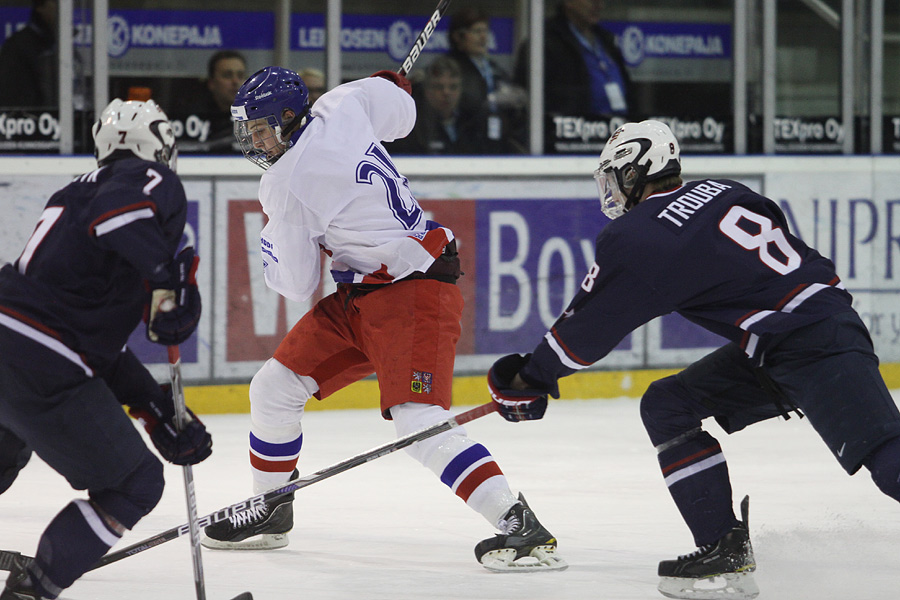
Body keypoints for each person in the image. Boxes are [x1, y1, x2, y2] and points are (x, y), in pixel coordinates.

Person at [486, 120, 900, 598]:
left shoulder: (641, 234)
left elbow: (583, 332)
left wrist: (529, 377)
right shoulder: (725, 190)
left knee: (888, 463)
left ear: (635, 172)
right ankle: (724, 551)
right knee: (668, 404)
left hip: (812, 343)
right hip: (792, 337)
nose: (611, 191)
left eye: (614, 177)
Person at [199, 65, 566, 572]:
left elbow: (294, 283)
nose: (255, 142)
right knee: (273, 388)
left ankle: (518, 523)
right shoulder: (342, 103)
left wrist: (271, 241)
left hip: (413, 293)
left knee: (418, 421)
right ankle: (271, 508)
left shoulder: (287, 182)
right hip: (366, 293)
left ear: (288, 118)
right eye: (249, 131)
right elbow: (404, 112)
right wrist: (390, 86)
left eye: (260, 130)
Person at [0, 99, 210, 600]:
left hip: (15, 341)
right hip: (40, 358)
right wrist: (165, 276)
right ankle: (31, 592)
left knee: (8, 448)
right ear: (159, 145)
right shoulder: (148, 182)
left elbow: (92, 343)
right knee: (136, 483)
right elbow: (121, 216)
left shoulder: (74, 194)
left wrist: (154, 406)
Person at [514, 0, 632, 118]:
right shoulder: (544, 43)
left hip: (617, 127)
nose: (599, 5)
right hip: (573, 130)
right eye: (592, 1)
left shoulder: (607, 40)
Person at [388, 56, 509, 155]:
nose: (446, 93)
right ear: (426, 91)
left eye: (453, 87)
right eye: (438, 87)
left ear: (461, 89)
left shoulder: (473, 121)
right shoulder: (411, 126)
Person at [446, 6, 526, 152]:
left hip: (496, 142)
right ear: (458, 37)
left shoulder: (493, 68)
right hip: (465, 145)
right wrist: (490, 101)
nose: (483, 37)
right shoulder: (450, 68)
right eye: (477, 32)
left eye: (485, 31)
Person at [172, 50, 247, 154]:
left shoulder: (255, 115)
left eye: (240, 75)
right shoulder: (193, 116)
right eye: (227, 75)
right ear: (211, 83)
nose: (235, 81)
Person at [0, 0, 58, 108]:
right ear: (40, 8)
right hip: (26, 119)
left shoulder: (55, 42)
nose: (58, 8)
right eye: (54, 2)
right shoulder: (18, 45)